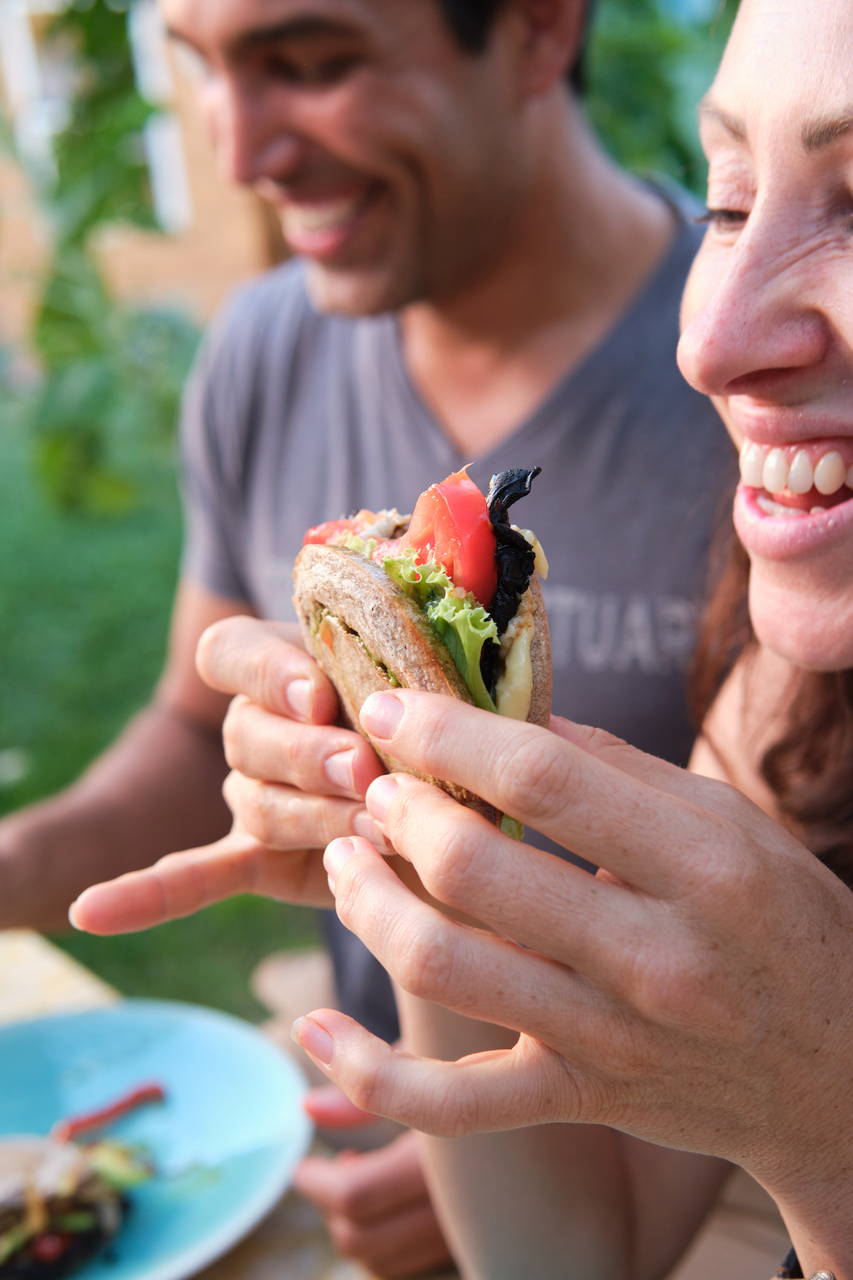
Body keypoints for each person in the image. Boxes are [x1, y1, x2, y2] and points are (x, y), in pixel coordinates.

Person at [5, 0, 734, 1273]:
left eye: (312, 63)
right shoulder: (263, 349)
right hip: (377, 1090)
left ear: (536, 31)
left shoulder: (763, 389)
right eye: (205, 72)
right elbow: (193, 725)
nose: (237, 154)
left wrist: (517, 1139)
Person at [190, 0, 850, 1275]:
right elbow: (568, 1254)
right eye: (727, 198)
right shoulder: (796, 705)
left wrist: (829, 1112)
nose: (704, 343)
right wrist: (426, 831)